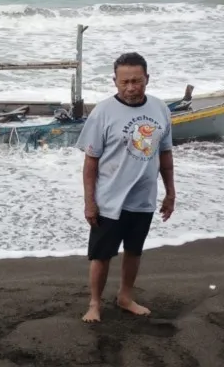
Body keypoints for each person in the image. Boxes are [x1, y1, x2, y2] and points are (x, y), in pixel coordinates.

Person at [75, 52, 175, 323]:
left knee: (134, 251)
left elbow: (165, 155)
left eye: (137, 81)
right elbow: (90, 163)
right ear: (115, 81)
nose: (131, 88)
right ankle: (95, 304)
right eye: (125, 82)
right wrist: (89, 202)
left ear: (147, 79)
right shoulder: (103, 112)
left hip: (143, 198)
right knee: (101, 255)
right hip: (109, 200)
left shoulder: (160, 109)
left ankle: (125, 297)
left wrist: (170, 193)